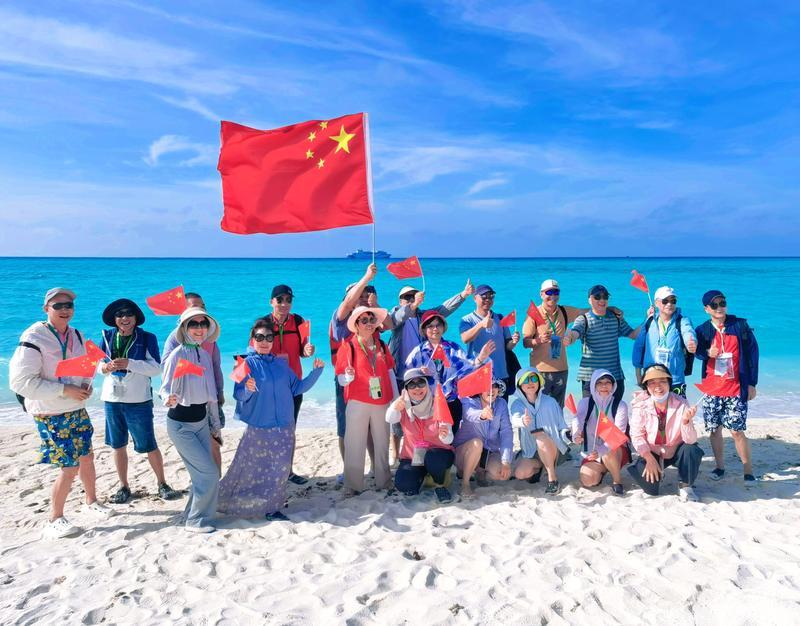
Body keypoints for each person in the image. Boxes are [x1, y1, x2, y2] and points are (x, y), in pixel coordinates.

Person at [9, 288, 114, 538]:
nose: (65, 309)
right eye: (58, 306)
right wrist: (65, 389)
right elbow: (20, 382)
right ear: (46, 309)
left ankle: (91, 501)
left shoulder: (76, 334)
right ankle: (55, 518)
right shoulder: (34, 337)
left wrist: (92, 379)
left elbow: (87, 364)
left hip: (76, 407)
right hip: (50, 412)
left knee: (87, 456)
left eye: (69, 305)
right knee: (69, 466)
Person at [218, 318, 324, 520]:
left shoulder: (281, 364)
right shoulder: (244, 363)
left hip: (284, 425)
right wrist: (248, 389)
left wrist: (316, 373)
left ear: (273, 340)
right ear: (252, 340)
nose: (264, 341)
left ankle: (272, 507)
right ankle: (231, 500)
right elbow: (238, 395)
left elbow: (297, 388)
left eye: (268, 337)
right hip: (260, 427)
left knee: (280, 469)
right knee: (251, 468)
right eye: (259, 337)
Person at [98, 298, 178, 503]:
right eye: (119, 315)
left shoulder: (147, 337)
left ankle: (162, 483)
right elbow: (97, 365)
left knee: (149, 444)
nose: (124, 318)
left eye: (128, 314)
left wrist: (130, 363)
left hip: (139, 400)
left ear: (136, 318)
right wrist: (105, 368)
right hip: (112, 399)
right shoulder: (107, 336)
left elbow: (156, 368)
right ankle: (123, 486)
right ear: (114, 319)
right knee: (117, 445)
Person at [387, 279, 473, 461]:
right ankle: (396, 452)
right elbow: (393, 321)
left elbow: (443, 310)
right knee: (402, 414)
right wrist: (413, 305)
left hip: (423, 375)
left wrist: (463, 295)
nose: (411, 299)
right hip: (400, 374)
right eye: (407, 297)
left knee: (424, 418)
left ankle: (430, 452)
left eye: (413, 296)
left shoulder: (423, 317)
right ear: (400, 300)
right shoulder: (395, 314)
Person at [161, 307, 222, 533]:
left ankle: (190, 514)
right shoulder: (177, 355)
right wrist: (167, 398)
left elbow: (211, 395)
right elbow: (164, 387)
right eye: (193, 324)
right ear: (184, 328)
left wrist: (215, 425)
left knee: (202, 474)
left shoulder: (204, 354)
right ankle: (196, 521)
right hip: (181, 426)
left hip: (201, 423)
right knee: (209, 474)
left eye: (203, 324)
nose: (199, 328)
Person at [329, 264, 391, 475]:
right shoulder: (341, 317)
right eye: (359, 295)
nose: (362, 298)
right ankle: (349, 470)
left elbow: (389, 325)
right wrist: (366, 277)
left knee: (372, 427)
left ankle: (374, 466)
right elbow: (347, 303)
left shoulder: (370, 318)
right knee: (346, 428)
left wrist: (375, 304)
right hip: (347, 379)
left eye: (365, 295)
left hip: (371, 379)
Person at [694, 290, 760, 482]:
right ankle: (719, 467)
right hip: (712, 390)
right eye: (714, 305)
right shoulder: (702, 330)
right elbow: (696, 352)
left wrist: (752, 383)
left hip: (735, 389)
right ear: (706, 309)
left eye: (722, 303)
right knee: (715, 430)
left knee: (737, 431)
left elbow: (753, 354)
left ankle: (748, 470)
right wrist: (708, 352)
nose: (719, 307)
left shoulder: (739, 325)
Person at [335, 305, 396, 496]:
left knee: (382, 443)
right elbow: (341, 379)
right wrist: (348, 376)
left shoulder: (382, 346)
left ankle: (384, 482)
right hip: (357, 402)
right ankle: (352, 485)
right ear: (356, 325)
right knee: (354, 444)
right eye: (364, 320)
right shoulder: (348, 346)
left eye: (372, 320)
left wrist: (396, 400)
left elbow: (390, 372)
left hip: (382, 401)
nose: (369, 323)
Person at [163, 292, 226, 471]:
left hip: (210, 399)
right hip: (187, 402)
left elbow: (216, 366)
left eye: (202, 306)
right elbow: (166, 367)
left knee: (215, 443)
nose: (200, 309)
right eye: (194, 306)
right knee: (202, 450)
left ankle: (216, 482)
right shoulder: (175, 338)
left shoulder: (209, 337)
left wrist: (220, 392)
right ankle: (209, 480)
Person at [262, 284, 316, 485]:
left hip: (293, 386)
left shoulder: (299, 321)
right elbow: (254, 353)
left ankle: (288, 471)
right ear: (271, 302)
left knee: (288, 430)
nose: (284, 304)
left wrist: (308, 351)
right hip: (270, 387)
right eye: (280, 300)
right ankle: (269, 471)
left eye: (288, 300)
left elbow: (303, 350)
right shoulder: (263, 324)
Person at [523, 278, 606, 407]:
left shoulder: (564, 311)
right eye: (549, 292)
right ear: (541, 294)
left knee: (558, 408)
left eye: (556, 292)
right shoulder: (534, 314)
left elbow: (586, 312)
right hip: (540, 371)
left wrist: (608, 308)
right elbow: (525, 342)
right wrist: (538, 340)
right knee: (540, 407)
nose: (553, 296)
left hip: (561, 369)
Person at [406, 310, 492, 433]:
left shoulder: (453, 348)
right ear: (424, 330)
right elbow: (407, 378)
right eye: (430, 326)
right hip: (428, 404)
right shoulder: (417, 352)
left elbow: (468, 370)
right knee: (431, 438)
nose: (435, 329)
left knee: (451, 438)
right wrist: (418, 373)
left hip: (452, 403)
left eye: (438, 325)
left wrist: (481, 358)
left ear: (443, 327)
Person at [627, 364, 704, 501]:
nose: (658, 386)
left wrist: (686, 421)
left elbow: (691, 440)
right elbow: (637, 435)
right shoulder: (640, 405)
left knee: (692, 450)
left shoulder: (681, 403)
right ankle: (652, 470)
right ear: (646, 386)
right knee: (651, 490)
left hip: (676, 451)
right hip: (652, 451)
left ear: (669, 383)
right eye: (652, 382)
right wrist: (648, 458)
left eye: (662, 381)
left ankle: (686, 486)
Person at [385, 368, 455, 504]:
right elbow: (389, 419)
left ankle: (439, 485)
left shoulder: (438, 403)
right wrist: (395, 407)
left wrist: (444, 435)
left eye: (421, 383)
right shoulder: (403, 406)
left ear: (427, 385)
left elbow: (449, 439)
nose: (417, 388)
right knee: (404, 484)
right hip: (413, 456)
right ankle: (424, 475)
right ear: (406, 389)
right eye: (411, 385)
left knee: (433, 458)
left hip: (439, 454)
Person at [564, 284, 640, 404]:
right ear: (589, 300)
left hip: (614, 377)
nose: (602, 300)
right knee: (590, 414)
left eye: (605, 297)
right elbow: (575, 332)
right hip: (591, 378)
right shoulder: (583, 319)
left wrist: (648, 319)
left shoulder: (616, 318)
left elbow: (633, 335)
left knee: (615, 413)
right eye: (597, 297)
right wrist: (569, 338)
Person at [508, 368, 570, 495]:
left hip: (553, 448)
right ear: (519, 384)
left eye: (534, 378)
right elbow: (514, 419)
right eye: (526, 380)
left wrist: (569, 435)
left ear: (539, 381)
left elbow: (562, 427)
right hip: (531, 451)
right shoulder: (517, 404)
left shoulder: (550, 402)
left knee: (541, 437)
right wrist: (522, 421)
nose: (530, 382)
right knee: (520, 474)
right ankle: (541, 467)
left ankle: (552, 479)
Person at [572, 369, 630, 496]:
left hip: (615, 450)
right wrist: (576, 435)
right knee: (588, 480)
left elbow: (618, 435)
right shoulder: (585, 403)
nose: (604, 386)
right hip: (592, 450)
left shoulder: (620, 405)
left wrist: (601, 450)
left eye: (608, 382)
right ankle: (604, 468)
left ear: (613, 385)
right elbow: (578, 420)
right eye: (600, 383)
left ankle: (617, 480)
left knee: (608, 451)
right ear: (593, 385)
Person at [632, 286, 697, 397]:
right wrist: (638, 375)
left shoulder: (682, 321)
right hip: (651, 378)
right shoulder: (649, 321)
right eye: (665, 301)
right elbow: (638, 347)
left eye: (673, 301)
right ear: (656, 303)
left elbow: (688, 331)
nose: (669, 304)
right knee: (651, 408)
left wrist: (691, 342)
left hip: (675, 380)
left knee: (678, 408)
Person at [452, 379, 513, 499]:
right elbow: (469, 414)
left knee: (500, 473)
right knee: (477, 444)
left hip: (488, 452)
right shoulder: (468, 400)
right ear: (479, 390)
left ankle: (480, 472)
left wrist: (506, 460)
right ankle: (465, 483)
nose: (491, 390)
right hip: (463, 452)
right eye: (486, 387)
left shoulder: (501, 404)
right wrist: (482, 414)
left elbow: (506, 432)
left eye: (495, 386)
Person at [459, 284, 520, 395]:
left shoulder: (500, 318)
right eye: (484, 296)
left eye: (491, 296)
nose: (487, 299)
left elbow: (508, 346)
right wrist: (481, 324)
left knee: (502, 406)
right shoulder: (467, 320)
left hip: (501, 374)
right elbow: (465, 339)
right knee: (481, 406)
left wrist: (514, 341)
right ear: (475, 298)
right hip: (479, 374)